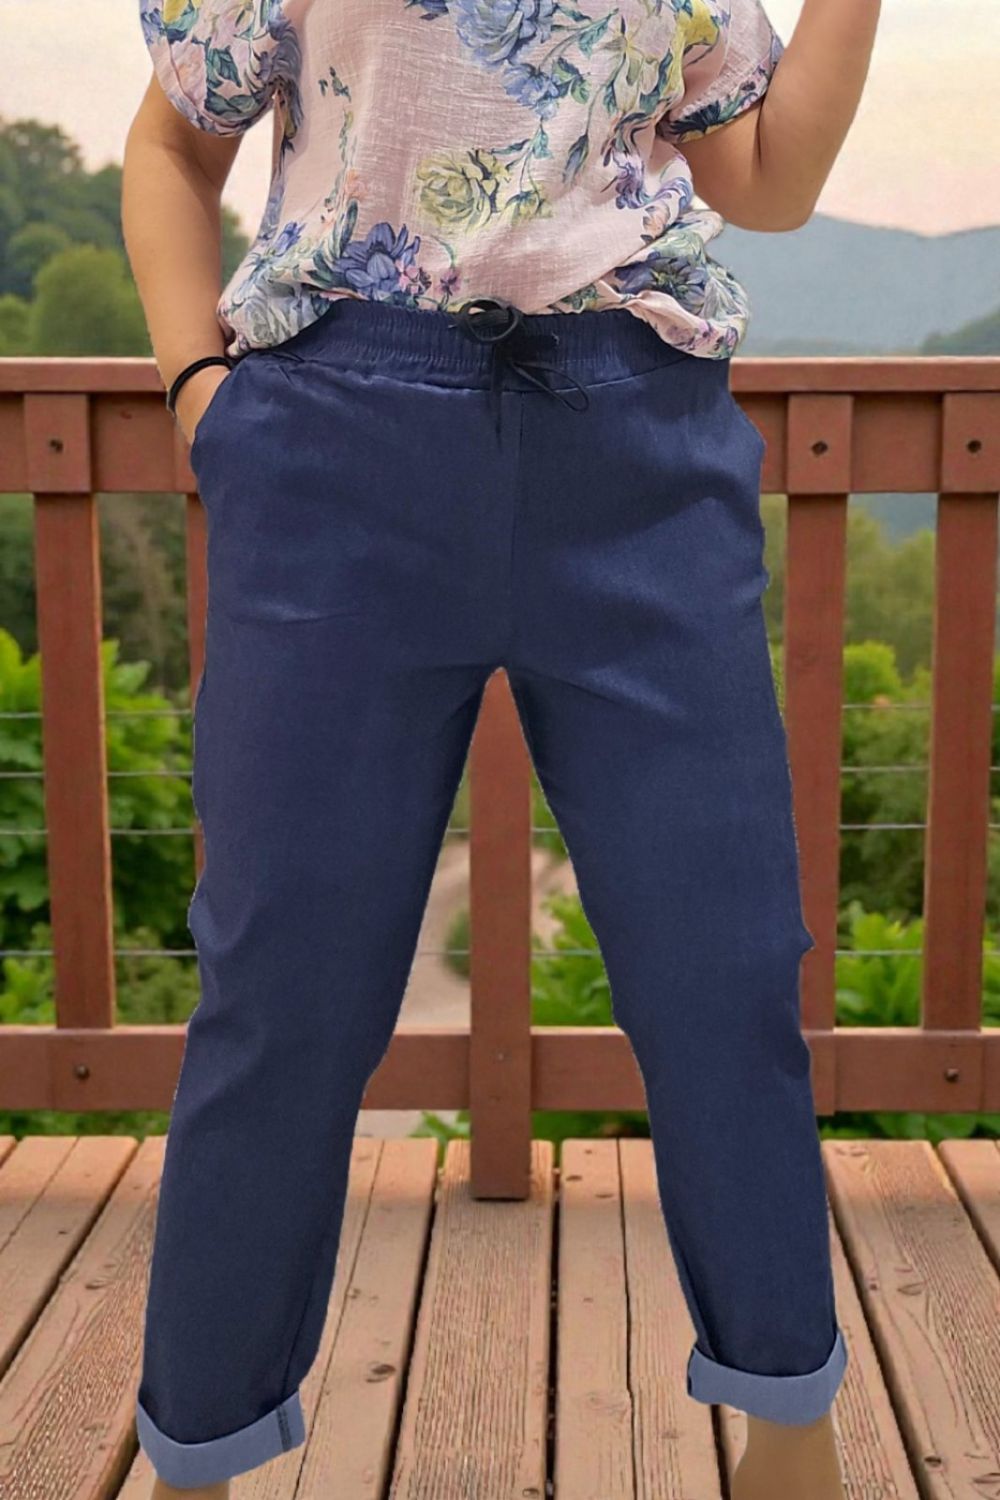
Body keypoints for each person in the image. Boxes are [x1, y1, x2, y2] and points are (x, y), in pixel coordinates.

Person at [122, 1, 880, 1496]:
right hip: (335, 445)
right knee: (281, 986)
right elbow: (173, 144)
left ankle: (792, 1439)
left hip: (639, 450)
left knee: (726, 968)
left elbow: (769, 182)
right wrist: (197, 388)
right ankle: (196, 1455)